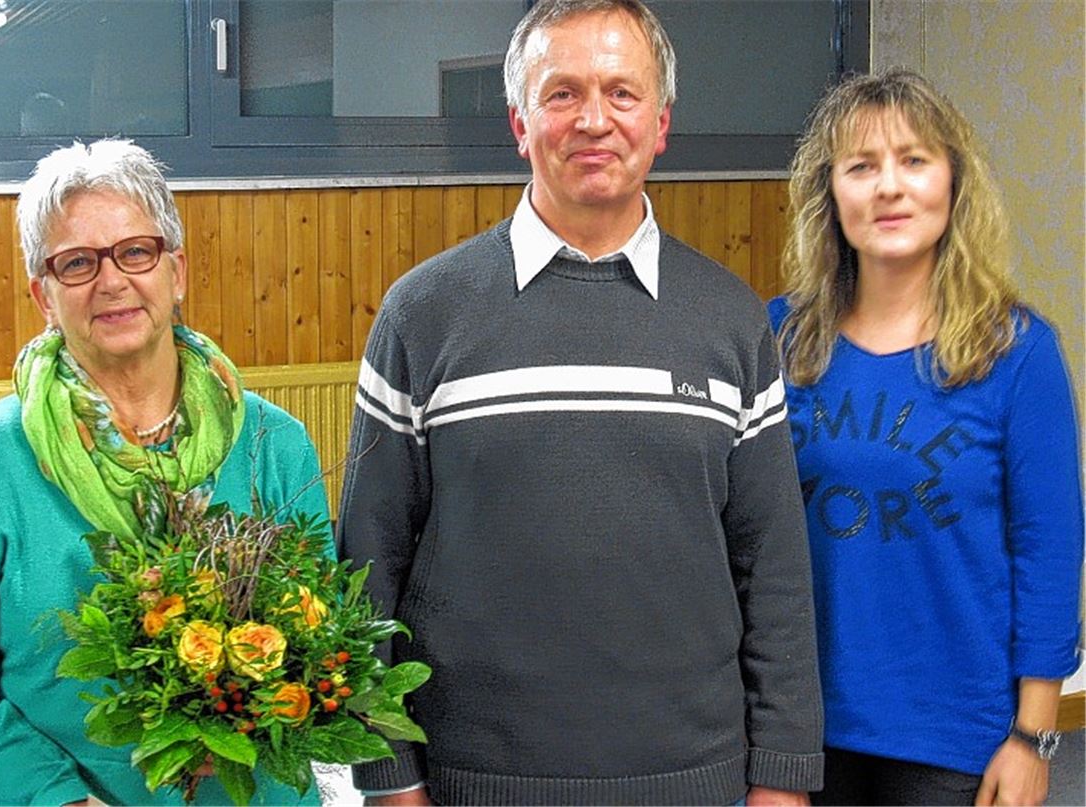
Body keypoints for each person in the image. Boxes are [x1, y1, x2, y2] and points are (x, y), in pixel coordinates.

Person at [337, 1, 823, 804]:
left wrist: (783, 778)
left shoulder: (734, 321)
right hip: (472, 780)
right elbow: (369, 565)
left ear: (661, 123)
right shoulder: (422, 316)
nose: (593, 120)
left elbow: (773, 569)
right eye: (561, 94)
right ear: (520, 124)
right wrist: (388, 777)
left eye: (621, 94)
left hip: (692, 780)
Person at [0, 139, 333, 805]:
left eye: (135, 251)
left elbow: (323, 635)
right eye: (76, 263)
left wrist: (258, 716)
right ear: (44, 294)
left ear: (175, 271)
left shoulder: (274, 444)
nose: (111, 280)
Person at [769, 68, 1083, 806]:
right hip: (800, 726)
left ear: (953, 183)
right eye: (861, 166)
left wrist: (1033, 736)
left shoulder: (1019, 352)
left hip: (957, 735)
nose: (888, 187)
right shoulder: (777, 336)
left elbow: (1049, 551)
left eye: (914, 160)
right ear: (831, 194)